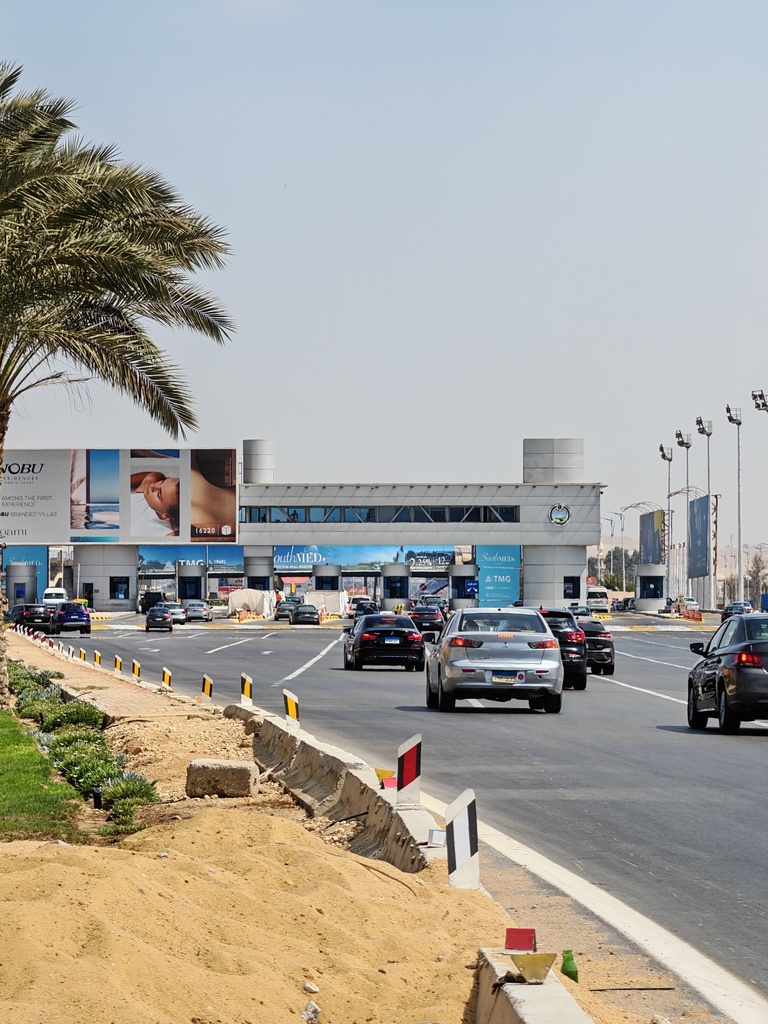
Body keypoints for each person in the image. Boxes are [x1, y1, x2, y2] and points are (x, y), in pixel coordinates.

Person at [130, 471, 180, 537]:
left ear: (166, 516)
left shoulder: (167, 535)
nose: (153, 485)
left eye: (159, 494)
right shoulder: (152, 479)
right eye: (162, 481)